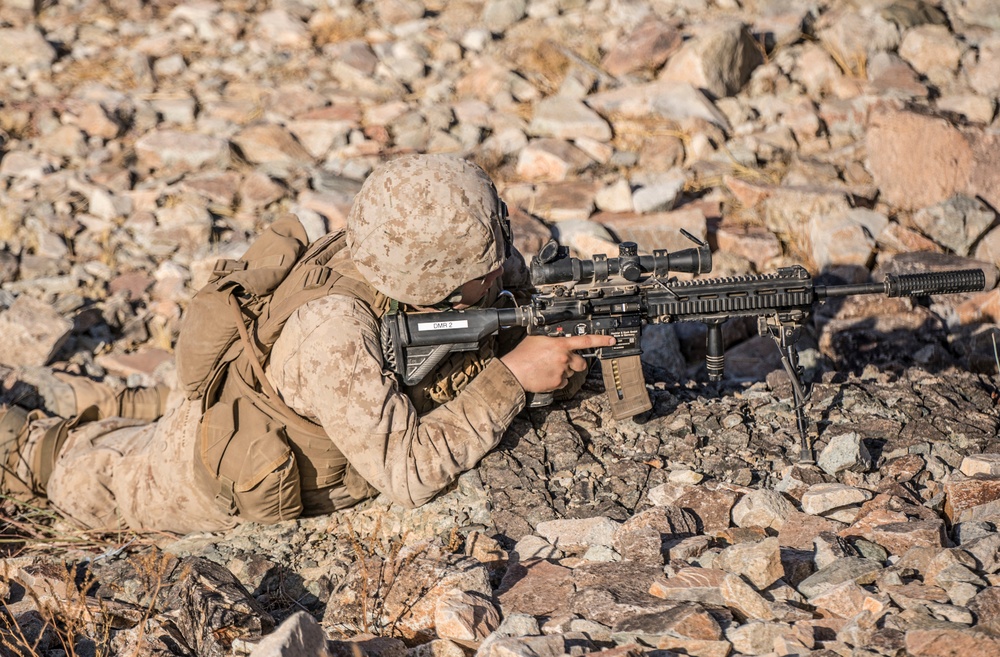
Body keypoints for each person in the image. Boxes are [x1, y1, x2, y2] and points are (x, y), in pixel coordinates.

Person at [0, 154, 614, 534]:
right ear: (440, 285)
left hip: (267, 396)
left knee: (151, 411)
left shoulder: (402, 253)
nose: (504, 259)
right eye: (488, 261)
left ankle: (120, 403)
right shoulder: (335, 334)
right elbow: (408, 472)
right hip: (197, 472)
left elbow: (496, 302)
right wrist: (511, 378)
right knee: (80, 470)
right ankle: (25, 436)